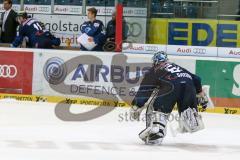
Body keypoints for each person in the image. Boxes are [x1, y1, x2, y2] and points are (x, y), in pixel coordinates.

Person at [130, 51, 209, 145]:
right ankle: (192, 120)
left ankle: (157, 131)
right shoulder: (176, 66)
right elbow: (197, 79)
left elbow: (145, 90)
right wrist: (201, 94)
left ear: (155, 62)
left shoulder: (153, 70)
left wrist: (137, 105)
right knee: (188, 113)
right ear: (166, 60)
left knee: (158, 108)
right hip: (189, 85)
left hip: (170, 87)